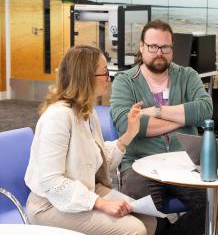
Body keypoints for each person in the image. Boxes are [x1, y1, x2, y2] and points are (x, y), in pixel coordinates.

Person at [110, 19, 218, 235]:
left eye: (165, 47)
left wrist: (156, 111)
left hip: (183, 162)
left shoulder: (188, 75)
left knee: (217, 204)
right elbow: (127, 123)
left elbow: (204, 110)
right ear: (141, 47)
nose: (159, 53)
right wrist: (184, 117)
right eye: (153, 47)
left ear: (172, 48)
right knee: (141, 208)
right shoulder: (124, 81)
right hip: (138, 164)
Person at [25, 45, 156, 235]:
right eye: (104, 73)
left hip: (86, 191)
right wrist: (100, 204)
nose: (108, 79)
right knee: (134, 230)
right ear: (86, 77)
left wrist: (129, 134)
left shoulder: (86, 111)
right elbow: (52, 182)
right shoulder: (58, 117)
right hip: (50, 205)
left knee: (147, 219)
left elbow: (97, 161)